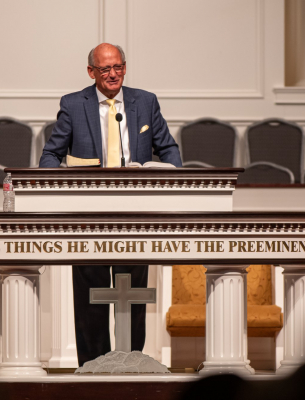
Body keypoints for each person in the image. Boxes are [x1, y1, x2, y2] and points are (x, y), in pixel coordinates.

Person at [39, 43, 182, 366]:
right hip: (88, 213)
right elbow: (50, 154)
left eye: (118, 67)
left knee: (133, 294)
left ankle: (132, 364)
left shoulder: (144, 102)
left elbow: (168, 149)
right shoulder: (75, 104)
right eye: (105, 69)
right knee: (91, 298)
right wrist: (54, 190)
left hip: (137, 213)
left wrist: (176, 185)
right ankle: (92, 369)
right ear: (92, 72)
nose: (113, 74)